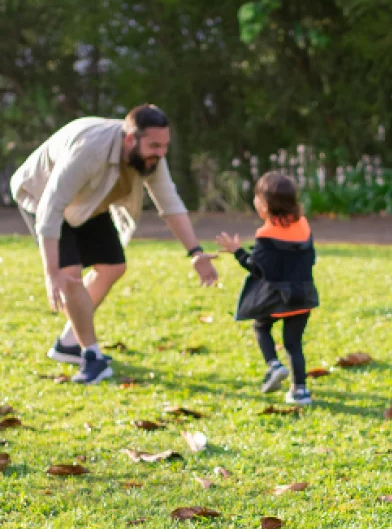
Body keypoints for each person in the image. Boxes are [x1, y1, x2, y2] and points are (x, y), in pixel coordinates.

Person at [11, 104, 217, 383]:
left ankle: (69, 343)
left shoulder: (150, 157)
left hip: (89, 203)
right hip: (42, 197)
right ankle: (92, 356)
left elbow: (169, 203)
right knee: (70, 277)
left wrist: (196, 252)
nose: (161, 153)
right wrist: (52, 273)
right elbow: (51, 207)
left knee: (113, 267)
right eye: (155, 145)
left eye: (165, 146)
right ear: (130, 139)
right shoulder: (90, 149)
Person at [216, 171, 318, 406]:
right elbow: (310, 258)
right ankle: (300, 391)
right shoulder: (303, 226)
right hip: (303, 295)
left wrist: (237, 251)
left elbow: (257, 268)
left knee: (260, 326)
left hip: (277, 298)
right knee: (293, 344)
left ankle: (274, 365)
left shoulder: (266, 234)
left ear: (265, 205)